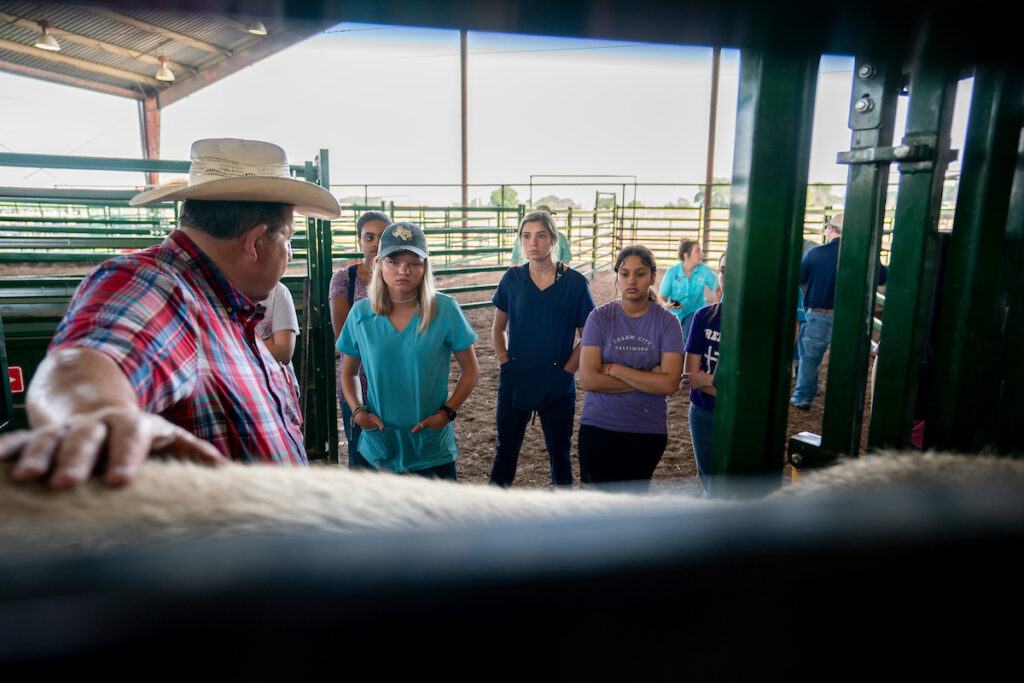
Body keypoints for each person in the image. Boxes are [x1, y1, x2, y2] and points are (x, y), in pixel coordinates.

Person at [0, 138, 341, 488]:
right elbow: (84, 363)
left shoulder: (226, 309)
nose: (290, 255)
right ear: (254, 243)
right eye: (288, 240)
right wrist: (100, 416)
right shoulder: (157, 285)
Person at [337, 222, 480, 480]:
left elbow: (471, 370)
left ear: (425, 267)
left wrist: (447, 413)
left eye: (414, 263)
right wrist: (358, 412)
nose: (404, 270)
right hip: (381, 445)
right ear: (379, 263)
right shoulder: (360, 313)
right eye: (393, 261)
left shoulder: (445, 309)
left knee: (437, 519)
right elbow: (348, 373)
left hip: (431, 444)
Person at [489, 210, 595, 487]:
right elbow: (498, 328)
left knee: (560, 454)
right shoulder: (511, 279)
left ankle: (565, 521)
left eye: (540, 235)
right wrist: (505, 363)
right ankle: (487, 517)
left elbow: (588, 337)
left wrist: (566, 372)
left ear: (553, 239)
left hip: (557, 383)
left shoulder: (575, 283)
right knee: (506, 451)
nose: (532, 242)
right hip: (516, 378)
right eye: (526, 236)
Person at [578, 245, 683, 488]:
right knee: (594, 506)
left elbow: (669, 384)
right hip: (599, 425)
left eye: (640, 273)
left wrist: (614, 369)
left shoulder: (668, 322)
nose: (631, 280)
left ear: (653, 277)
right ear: (618, 275)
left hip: (647, 429)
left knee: (630, 509)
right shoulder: (599, 318)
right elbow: (589, 380)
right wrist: (648, 379)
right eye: (625, 274)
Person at [791, 213, 887, 409]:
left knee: (809, 359)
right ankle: (843, 402)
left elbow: (800, 277)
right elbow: (882, 278)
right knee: (846, 360)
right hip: (850, 318)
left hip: (818, 315)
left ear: (831, 229)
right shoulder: (863, 254)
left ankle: (802, 398)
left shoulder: (815, 253)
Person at [329, 210, 389, 469]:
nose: (376, 243)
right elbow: (342, 334)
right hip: (357, 382)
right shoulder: (345, 279)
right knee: (361, 460)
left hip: (395, 381)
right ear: (359, 241)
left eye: (383, 237)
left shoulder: (402, 277)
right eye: (369, 237)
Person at [683, 251, 726, 495]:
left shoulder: (759, 324)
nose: (726, 276)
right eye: (722, 270)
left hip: (739, 417)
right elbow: (691, 377)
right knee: (710, 482)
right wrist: (729, 388)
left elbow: (756, 389)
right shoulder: (705, 316)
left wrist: (706, 380)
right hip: (703, 411)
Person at [658, 238, 717, 340]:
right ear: (686, 255)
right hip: (675, 314)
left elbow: (719, 288)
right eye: (697, 251)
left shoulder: (705, 270)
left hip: (696, 313)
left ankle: (686, 353)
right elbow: (662, 298)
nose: (701, 254)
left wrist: (715, 309)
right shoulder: (672, 272)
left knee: (688, 335)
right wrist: (667, 305)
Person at [257, 280, 300, 391]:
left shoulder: (278, 291)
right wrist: (267, 343)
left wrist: (237, 347)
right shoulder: (215, 293)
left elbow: (284, 352)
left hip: (278, 387)